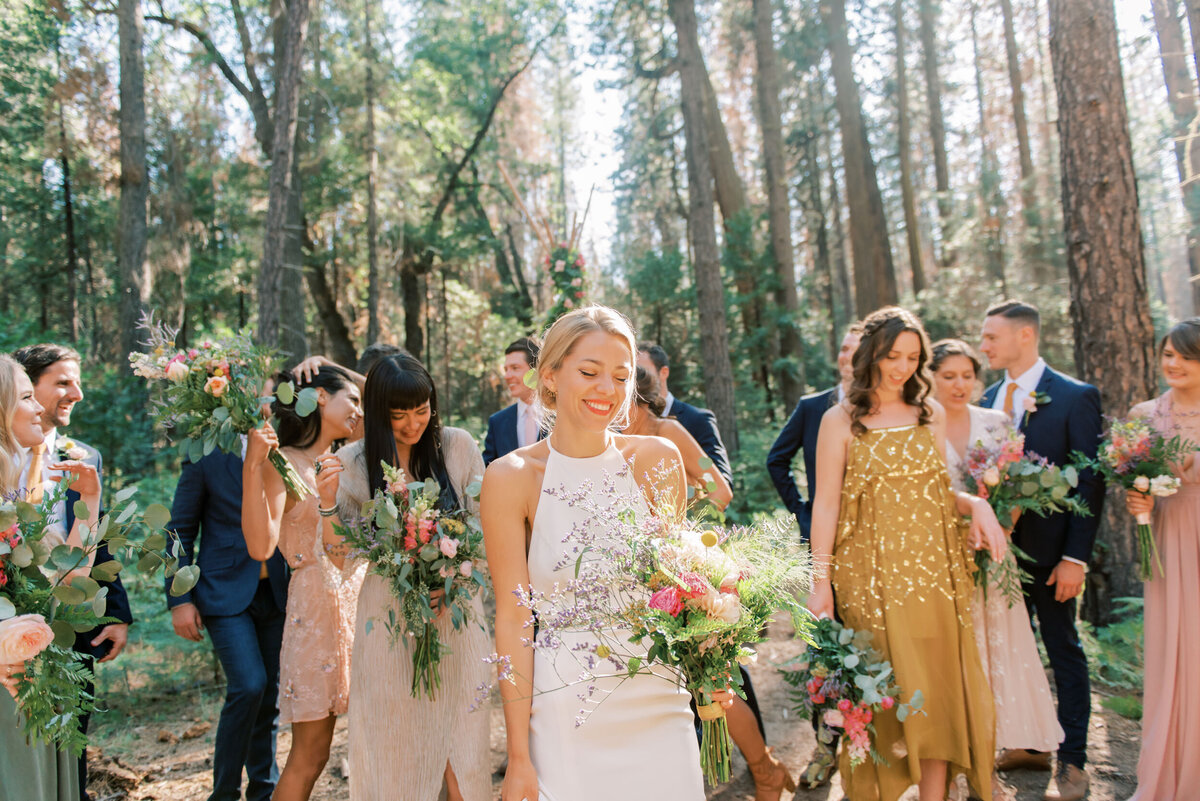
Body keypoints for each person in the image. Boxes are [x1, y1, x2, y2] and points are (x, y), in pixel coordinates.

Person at [483, 306, 736, 801]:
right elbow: (514, 621)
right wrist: (517, 759)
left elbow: (685, 588)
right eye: (589, 372)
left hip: (660, 697)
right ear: (551, 375)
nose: (607, 388)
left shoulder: (657, 461)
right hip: (566, 711)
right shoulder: (509, 478)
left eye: (620, 376)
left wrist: (712, 666)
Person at [807, 307, 1006, 801]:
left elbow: (939, 490)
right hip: (866, 578)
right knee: (882, 692)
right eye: (893, 355)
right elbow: (826, 503)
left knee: (936, 689)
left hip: (933, 574)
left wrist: (976, 504)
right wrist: (820, 580)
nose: (901, 367)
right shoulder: (841, 420)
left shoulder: (929, 412)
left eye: (913, 357)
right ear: (873, 352)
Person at [335, 353, 490, 801]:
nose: (412, 424)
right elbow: (340, 550)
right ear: (377, 413)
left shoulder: (458, 446)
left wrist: (452, 579)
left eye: (421, 410)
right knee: (397, 748)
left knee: (463, 746)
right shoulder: (353, 462)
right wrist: (328, 504)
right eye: (398, 415)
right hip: (390, 623)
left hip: (457, 616)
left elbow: (481, 529)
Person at [979, 300, 1103, 801]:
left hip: (1054, 558)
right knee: (1010, 651)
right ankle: (1029, 743)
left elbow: (1089, 483)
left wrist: (1076, 558)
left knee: (1062, 648)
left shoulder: (1074, 396)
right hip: (997, 557)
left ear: (1025, 335)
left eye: (992, 337)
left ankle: (1072, 762)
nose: (984, 345)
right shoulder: (987, 398)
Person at [931, 339, 1064, 801]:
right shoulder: (919, 425)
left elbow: (1014, 493)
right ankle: (947, 770)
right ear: (930, 378)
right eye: (948, 376)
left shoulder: (997, 423)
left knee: (995, 660)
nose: (959, 384)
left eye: (967, 375)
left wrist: (995, 528)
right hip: (941, 559)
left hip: (992, 559)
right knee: (952, 663)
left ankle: (985, 770)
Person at [12, 343, 133, 801]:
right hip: (11, 622)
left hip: (72, 620)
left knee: (71, 739)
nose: (76, 393)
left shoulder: (84, 456)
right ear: (23, 386)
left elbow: (100, 537)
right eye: (62, 382)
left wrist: (115, 613)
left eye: (76, 381)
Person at [241, 366, 366, 801]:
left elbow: (395, 395)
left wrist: (327, 360)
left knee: (377, 741)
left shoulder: (353, 455)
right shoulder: (285, 463)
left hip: (365, 603)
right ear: (317, 396)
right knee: (311, 755)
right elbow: (261, 546)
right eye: (350, 399)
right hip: (315, 609)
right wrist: (253, 467)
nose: (358, 409)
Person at [0, 354, 101, 801]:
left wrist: (91, 500)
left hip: (36, 665)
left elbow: (72, 580)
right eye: (26, 396)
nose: (40, 407)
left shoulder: (25, 494)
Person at [766, 322, 862, 789]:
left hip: (874, 550)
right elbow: (775, 460)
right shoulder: (811, 408)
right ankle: (825, 751)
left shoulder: (886, 410)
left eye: (857, 349)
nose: (848, 355)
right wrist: (802, 512)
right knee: (824, 650)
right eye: (844, 347)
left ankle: (871, 748)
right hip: (821, 548)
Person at [166, 449, 290, 800]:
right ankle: (224, 793)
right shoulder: (204, 456)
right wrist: (180, 599)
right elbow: (179, 531)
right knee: (249, 685)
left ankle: (264, 790)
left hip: (279, 592)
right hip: (224, 593)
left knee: (269, 697)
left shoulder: (286, 448)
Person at [1124, 319, 1200, 801]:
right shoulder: (1144, 413)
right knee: (1173, 646)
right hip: (1168, 537)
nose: (1173, 364)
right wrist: (1139, 499)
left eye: (1186, 356)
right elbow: (1133, 477)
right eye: (1168, 354)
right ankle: (1169, 772)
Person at [626, 366, 732, 510]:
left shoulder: (669, 431)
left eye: (625, 404)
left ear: (644, 401)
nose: (617, 413)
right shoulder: (617, 440)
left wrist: (691, 528)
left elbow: (719, 489)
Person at [636, 343, 732, 485]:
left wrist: (691, 500)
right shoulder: (621, 425)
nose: (636, 380)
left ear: (663, 373)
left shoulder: (697, 420)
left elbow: (719, 484)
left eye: (642, 372)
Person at [483, 337, 543, 465]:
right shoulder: (497, 422)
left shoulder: (561, 416)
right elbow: (488, 471)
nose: (507, 376)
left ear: (536, 370)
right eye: (506, 370)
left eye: (515, 368)